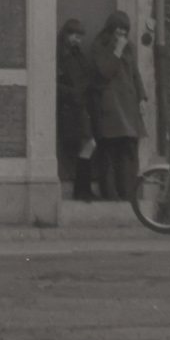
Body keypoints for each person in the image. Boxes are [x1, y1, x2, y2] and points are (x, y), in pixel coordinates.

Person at [87, 9, 147, 203]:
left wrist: (142, 98)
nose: (121, 34)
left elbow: (135, 74)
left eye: (124, 31)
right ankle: (110, 193)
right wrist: (117, 52)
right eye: (118, 30)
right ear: (110, 28)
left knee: (129, 150)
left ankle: (128, 193)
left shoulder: (129, 48)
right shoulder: (98, 46)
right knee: (109, 150)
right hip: (111, 106)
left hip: (128, 106)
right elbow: (105, 72)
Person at [55, 19, 97, 202]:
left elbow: (86, 74)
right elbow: (53, 84)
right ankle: (82, 190)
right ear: (66, 34)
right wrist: (72, 92)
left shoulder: (76, 53)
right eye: (75, 36)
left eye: (80, 37)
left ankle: (83, 190)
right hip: (69, 108)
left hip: (80, 105)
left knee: (87, 145)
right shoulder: (58, 55)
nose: (77, 41)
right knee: (87, 144)